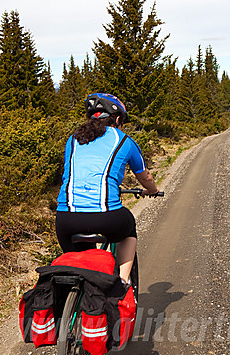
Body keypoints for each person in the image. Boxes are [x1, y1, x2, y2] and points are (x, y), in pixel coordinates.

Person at [56, 93, 159, 284]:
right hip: (106, 217)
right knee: (128, 228)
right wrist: (152, 191)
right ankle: (122, 282)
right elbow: (146, 177)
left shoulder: (72, 140)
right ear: (118, 119)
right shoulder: (124, 141)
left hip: (66, 219)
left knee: (82, 271)